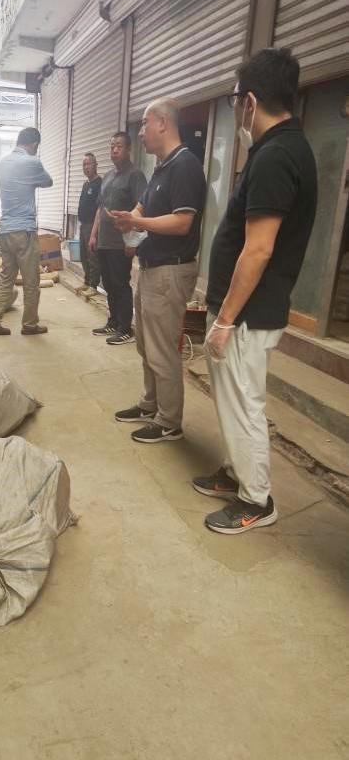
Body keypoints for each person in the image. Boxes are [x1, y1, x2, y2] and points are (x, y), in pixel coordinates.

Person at [192, 48, 317, 534]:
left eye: (235, 101)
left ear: (248, 101)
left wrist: (225, 319)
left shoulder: (277, 156)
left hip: (247, 314)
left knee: (244, 402)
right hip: (247, 310)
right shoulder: (281, 149)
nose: (236, 111)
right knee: (234, 399)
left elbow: (259, 249)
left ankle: (256, 500)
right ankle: (235, 472)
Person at [111, 99, 207, 443]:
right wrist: (130, 220)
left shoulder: (186, 166)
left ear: (163, 123)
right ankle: (150, 404)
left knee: (162, 349)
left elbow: (182, 222)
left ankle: (169, 421)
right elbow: (143, 207)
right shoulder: (162, 168)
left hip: (170, 272)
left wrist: (137, 222)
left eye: (144, 123)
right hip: (152, 268)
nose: (140, 132)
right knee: (146, 345)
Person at [0, 127, 53, 336]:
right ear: (34, 144)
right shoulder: (32, 162)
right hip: (24, 232)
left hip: (5, 231)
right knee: (31, 281)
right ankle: (29, 324)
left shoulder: (3, 163)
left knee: (7, 278)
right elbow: (48, 181)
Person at [88, 132, 147, 345]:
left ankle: (125, 328)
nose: (114, 150)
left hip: (120, 243)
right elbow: (100, 208)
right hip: (104, 241)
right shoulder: (108, 176)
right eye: (112, 146)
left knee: (120, 283)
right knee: (108, 283)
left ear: (128, 149)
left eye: (119, 146)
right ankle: (113, 321)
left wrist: (133, 241)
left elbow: (142, 209)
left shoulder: (135, 175)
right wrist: (93, 234)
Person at [77, 152, 102, 294]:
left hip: (93, 225)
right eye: (84, 164)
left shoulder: (99, 183)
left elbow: (100, 208)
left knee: (92, 256)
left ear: (95, 165)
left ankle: (93, 285)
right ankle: (86, 282)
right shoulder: (86, 184)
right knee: (84, 256)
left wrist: (94, 231)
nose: (86, 167)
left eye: (89, 163)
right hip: (83, 224)